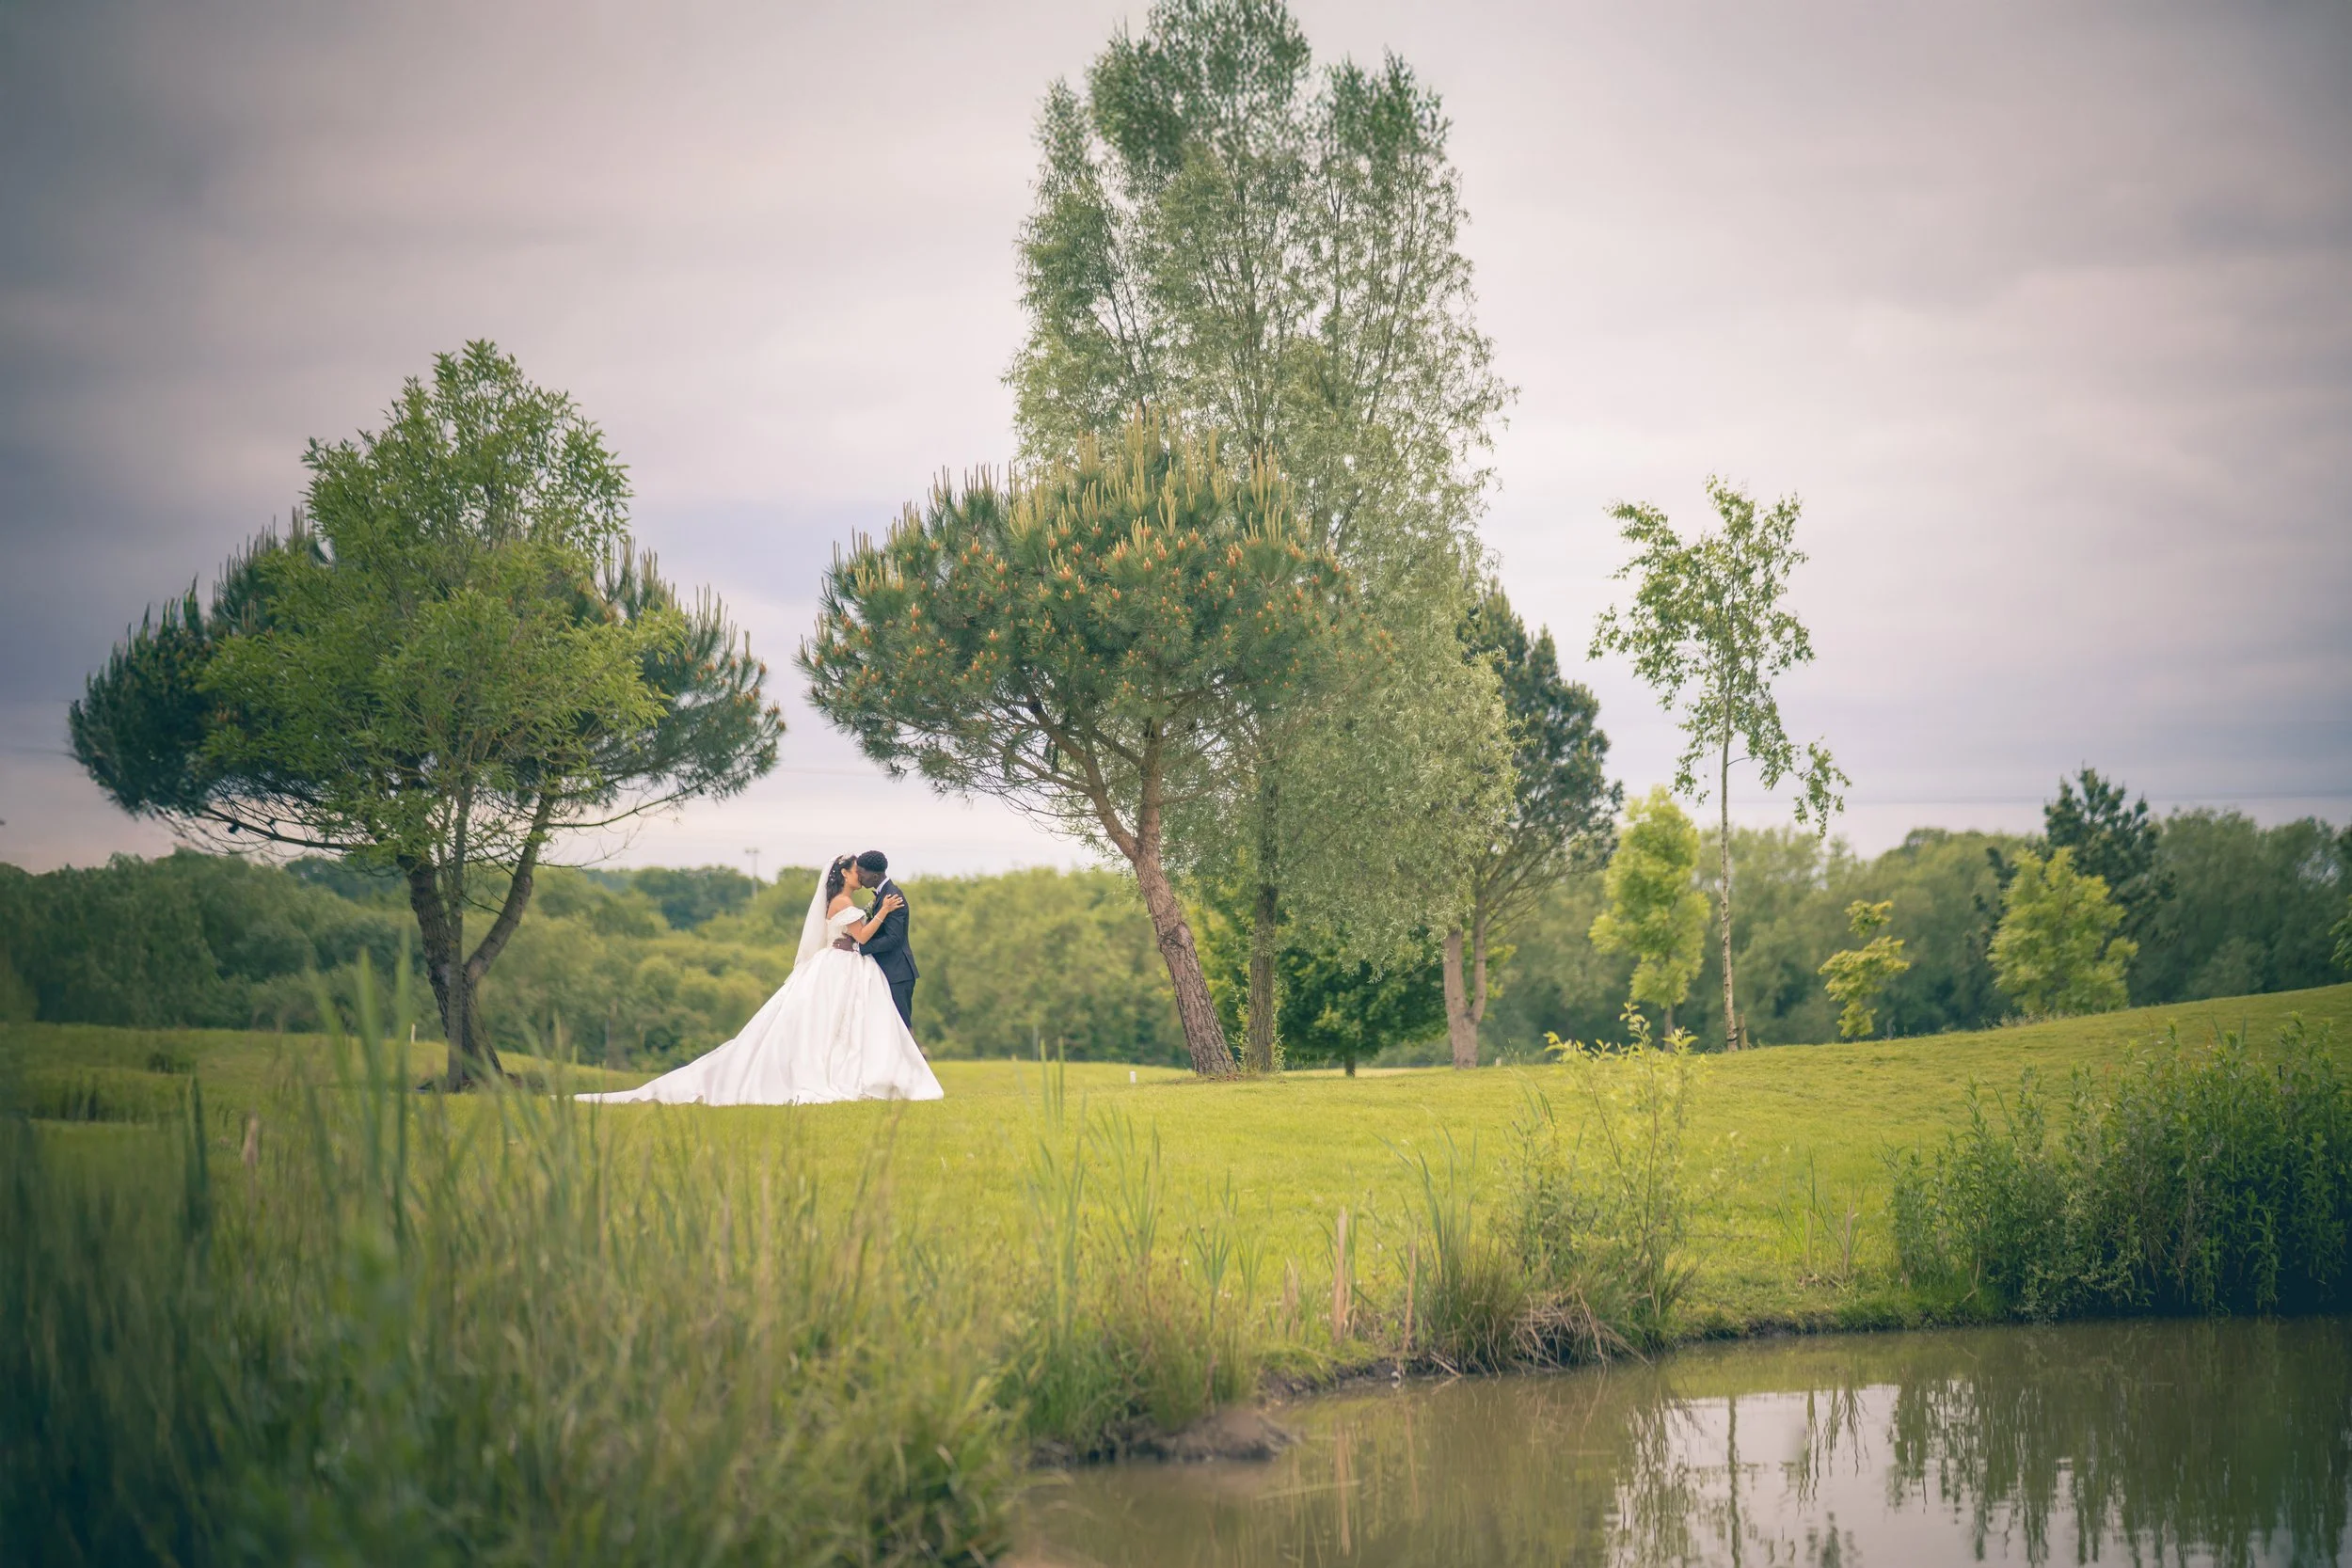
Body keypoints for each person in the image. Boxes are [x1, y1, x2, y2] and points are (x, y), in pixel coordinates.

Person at [577, 853, 941, 1106]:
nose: (859, 873)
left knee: (840, 1026)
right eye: (855, 869)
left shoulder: (846, 901)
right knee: (832, 1025)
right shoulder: (843, 904)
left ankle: (865, 1070)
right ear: (844, 873)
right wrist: (882, 915)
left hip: (845, 966)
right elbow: (861, 938)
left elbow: (864, 938)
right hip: (842, 965)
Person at [837, 848, 917, 1030]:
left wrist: (857, 947)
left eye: (861, 872)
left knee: (901, 1029)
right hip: (887, 971)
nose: (859, 876)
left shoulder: (893, 896)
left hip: (898, 973)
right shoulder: (882, 895)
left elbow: (893, 939)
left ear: (875, 875)